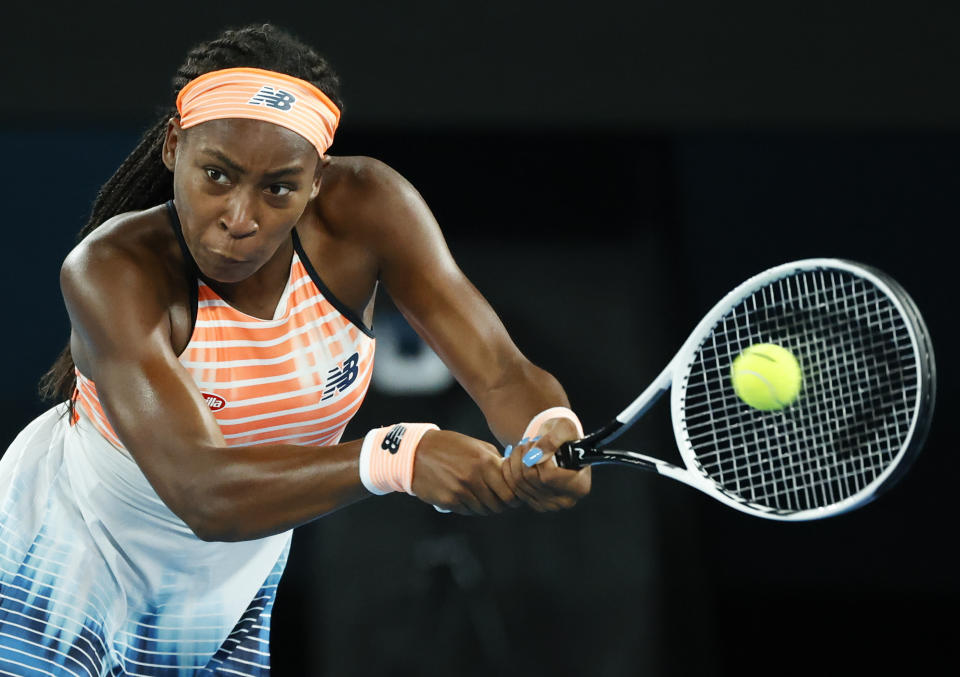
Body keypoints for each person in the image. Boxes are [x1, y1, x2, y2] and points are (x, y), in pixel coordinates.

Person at [0, 23, 590, 676]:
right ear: (174, 145)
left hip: (226, 595)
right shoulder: (111, 269)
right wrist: (397, 455)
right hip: (57, 566)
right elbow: (203, 494)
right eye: (216, 175)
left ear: (317, 179)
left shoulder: (369, 209)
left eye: (277, 186)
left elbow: (504, 373)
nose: (239, 216)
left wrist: (547, 427)